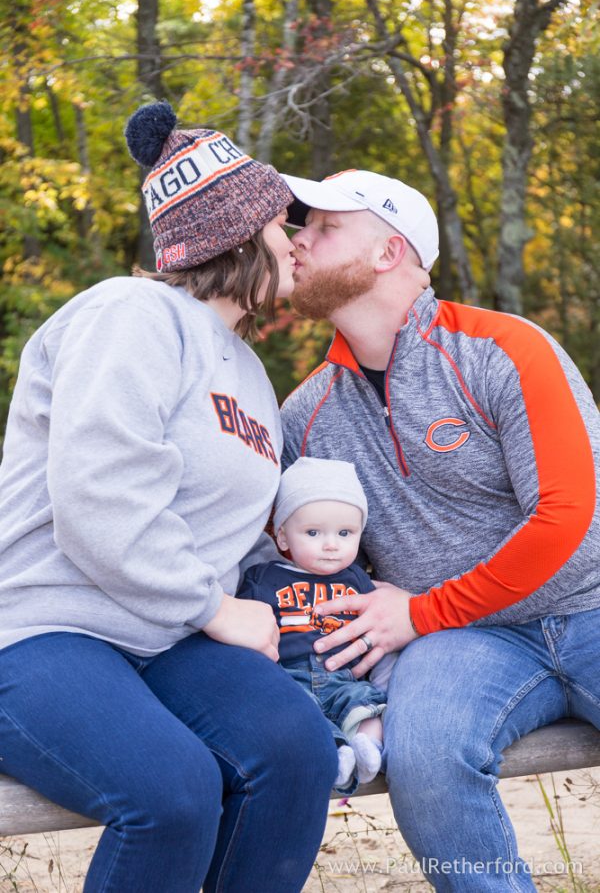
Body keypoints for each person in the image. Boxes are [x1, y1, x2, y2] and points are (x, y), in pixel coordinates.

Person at [0, 101, 338, 893]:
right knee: (172, 792)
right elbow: (99, 497)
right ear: (238, 231)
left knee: (296, 750)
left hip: (167, 637)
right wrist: (219, 611)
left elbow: (239, 534)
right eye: (281, 222)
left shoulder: (252, 377)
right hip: (47, 627)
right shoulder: (132, 313)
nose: (294, 239)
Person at [277, 167, 600, 890]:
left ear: (389, 253)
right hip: (467, 644)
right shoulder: (306, 416)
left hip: (590, 607)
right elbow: (284, 549)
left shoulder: (505, 349)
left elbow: (568, 518)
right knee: (423, 756)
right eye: (302, 225)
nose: (300, 240)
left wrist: (421, 611)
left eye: (326, 227)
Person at [238, 456, 397, 791]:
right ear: (282, 537)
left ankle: (367, 747)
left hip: (343, 676)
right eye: (313, 532)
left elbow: (380, 637)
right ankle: (336, 752)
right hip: (289, 677)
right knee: (298, 714)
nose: (330, 544)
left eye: (345, 533)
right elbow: (249, 631)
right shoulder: (263, 578)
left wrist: (382, 683)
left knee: (366, 705)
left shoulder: (358, 581)